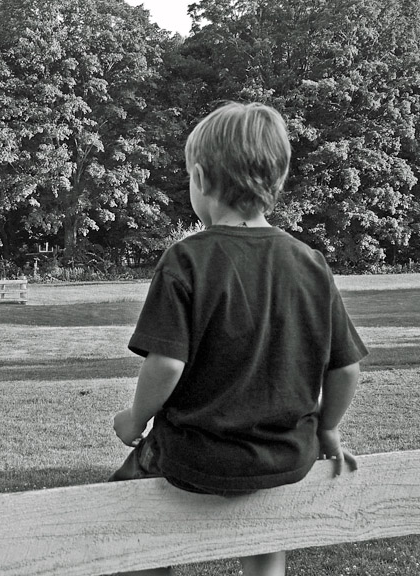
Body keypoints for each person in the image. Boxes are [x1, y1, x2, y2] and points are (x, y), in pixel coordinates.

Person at [110, 101, 368, 576]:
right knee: (266, 526)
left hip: (195, 456)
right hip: (285, 459)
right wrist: (327, 429)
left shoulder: (186, 259)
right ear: (276, 181)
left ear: (200, 179)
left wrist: (134, 419)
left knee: (127, 512)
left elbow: (166, 364)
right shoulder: (310, 263)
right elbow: (346, 367)